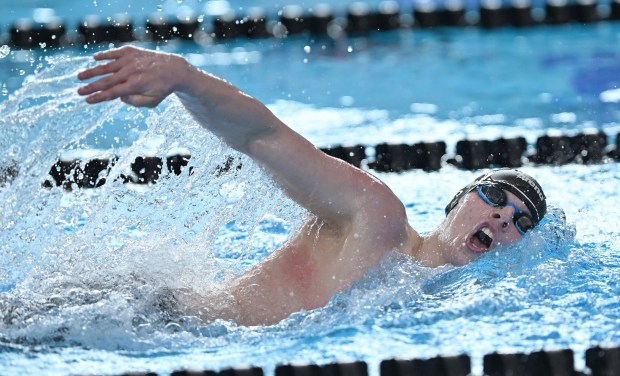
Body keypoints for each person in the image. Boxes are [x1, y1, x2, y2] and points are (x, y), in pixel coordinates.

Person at [77, 45, 547, 326]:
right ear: (455, 202)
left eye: (519, 221)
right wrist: (186, 78)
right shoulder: (375, 214)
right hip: (150, 313)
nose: (503, 216)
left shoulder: (428, 301)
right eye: (494, 197)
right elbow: (265, 137)